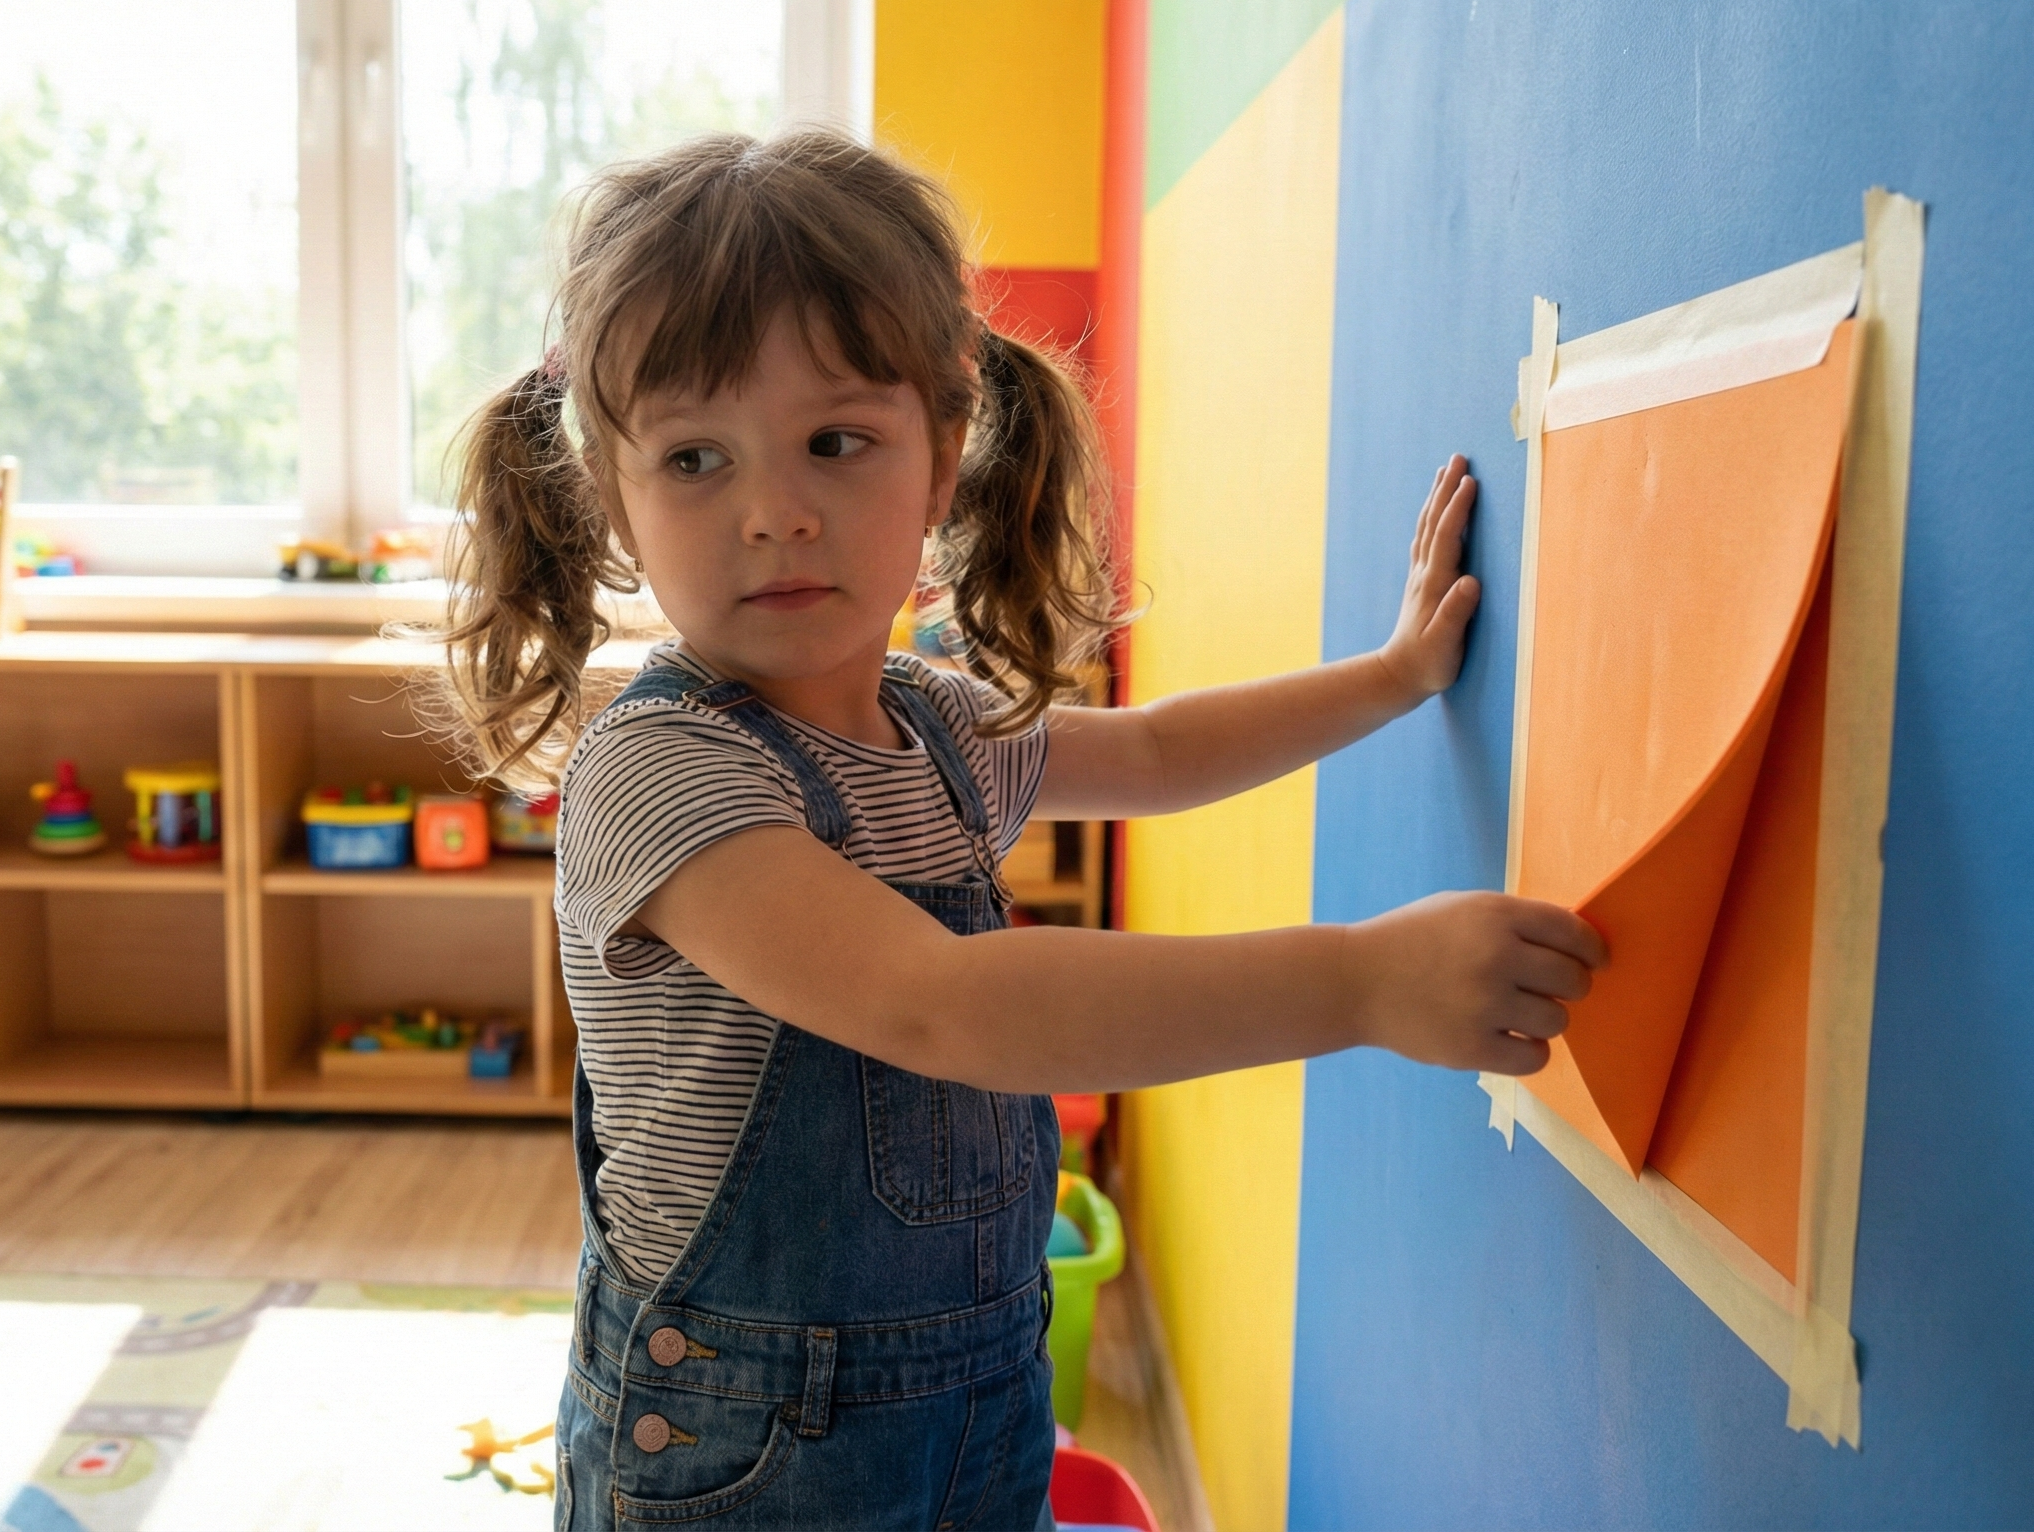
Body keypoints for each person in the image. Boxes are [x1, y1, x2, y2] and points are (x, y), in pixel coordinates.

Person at [429, 128, 1605, 1531]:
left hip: (979, 1399)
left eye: (835, 442)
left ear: (940, 460)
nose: (774, 513)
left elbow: (1161, 753)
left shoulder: (926, 721)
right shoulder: (665, 771)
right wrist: (1359, 983)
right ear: (614, 503)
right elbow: (940, 1007)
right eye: (694, 459)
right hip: (745, 1452)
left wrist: (1395, 676)